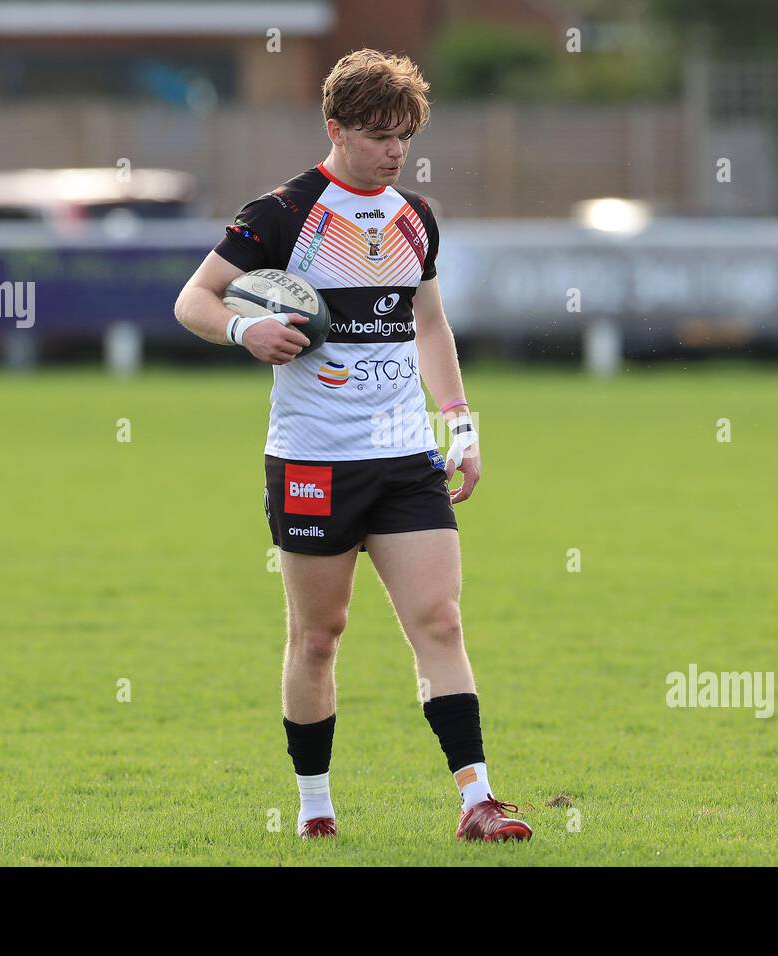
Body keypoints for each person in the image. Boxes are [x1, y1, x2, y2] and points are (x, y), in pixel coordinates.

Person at [174, 49, 531, 843]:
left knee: (439, 621)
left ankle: (478, 801)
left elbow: (429, 324)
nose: (394, 150)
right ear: (336, 128)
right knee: (318, 636)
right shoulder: (281, 214)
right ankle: (314, 809)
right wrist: (245, 327)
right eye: (378, 135)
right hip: (311, 461)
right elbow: (192, 299)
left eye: (404, 135)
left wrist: (461, 424)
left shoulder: (415, 218)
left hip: (405, 458)